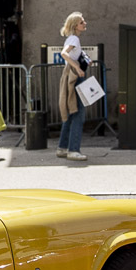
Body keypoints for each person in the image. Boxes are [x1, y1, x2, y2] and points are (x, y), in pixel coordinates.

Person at [58, 12, 91, 162]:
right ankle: (73, 150)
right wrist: (77, 68)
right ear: (75, 26)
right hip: (74, 78)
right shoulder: (74, 39)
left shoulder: (71, 39)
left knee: (71, 112)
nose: (84, 24)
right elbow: (64, 54)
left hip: (69, 77)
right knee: (78, 113)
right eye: (81, 22)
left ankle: (63, 147)